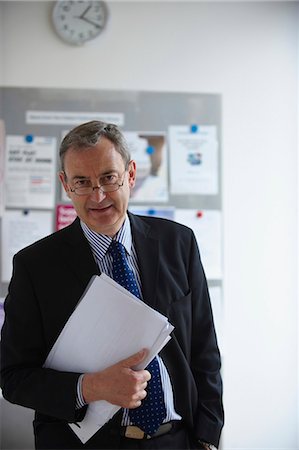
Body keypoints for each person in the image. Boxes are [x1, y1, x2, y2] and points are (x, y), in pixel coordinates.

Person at [0, 121, 224, 450]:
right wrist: (90, 388)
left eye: (108, 178)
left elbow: (205, 350)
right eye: (82, 182)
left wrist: (207, 436)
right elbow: (13, 377)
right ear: (65, 184)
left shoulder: (179, 242)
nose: (98, 196)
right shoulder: (35, 266)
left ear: (131, 174)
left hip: (176, 440)